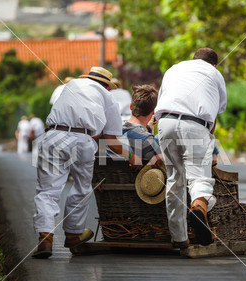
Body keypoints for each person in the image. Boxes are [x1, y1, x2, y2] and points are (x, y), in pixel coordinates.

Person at [32, 66, 142, 259]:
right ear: (107, 86)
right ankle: (73, 235)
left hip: (53, 136)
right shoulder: (108, 98)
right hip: (81, 140)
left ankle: (45, 238)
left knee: (48, 191)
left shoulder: (71, 85)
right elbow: (112, 141)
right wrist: (133, 157)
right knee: (82, 188)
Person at [154, 47, 227, 248]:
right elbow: (217, 110)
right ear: (214, 64)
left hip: (165, 122)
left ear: (193, 59)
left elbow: (161, 99)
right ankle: (198, 207)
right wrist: (209, 136)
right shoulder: (214, 73)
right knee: (199, 176)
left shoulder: (174, 69)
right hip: (195, 124)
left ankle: (180, 238)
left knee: (174, 179)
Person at [119, 85, 163, 165]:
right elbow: (159, 163)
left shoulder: (114, 130)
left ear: (131, 106)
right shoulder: (146, 139)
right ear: (153, 112)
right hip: (134, 177)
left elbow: (135, 132)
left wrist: (147, 128)